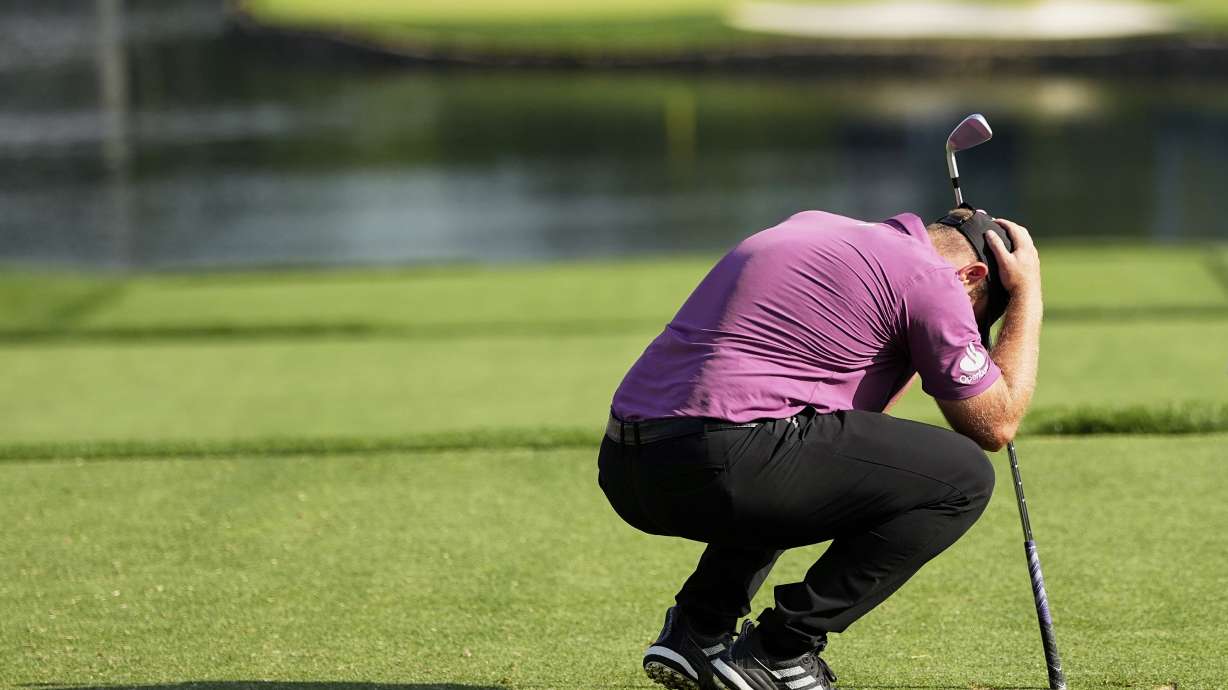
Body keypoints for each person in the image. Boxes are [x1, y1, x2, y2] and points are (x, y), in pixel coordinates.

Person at [597, 206, 1042, 690]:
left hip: (626, 466)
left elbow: (846, 431)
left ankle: (698, 631)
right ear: (972, 275)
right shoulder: (932, 278)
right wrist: (1027, 295)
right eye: (974, 318)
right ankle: (780, 651)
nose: (964, 329)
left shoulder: (812, 225)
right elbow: (995, 425)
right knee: (964, 476)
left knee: (806, 446)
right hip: (722, 463)